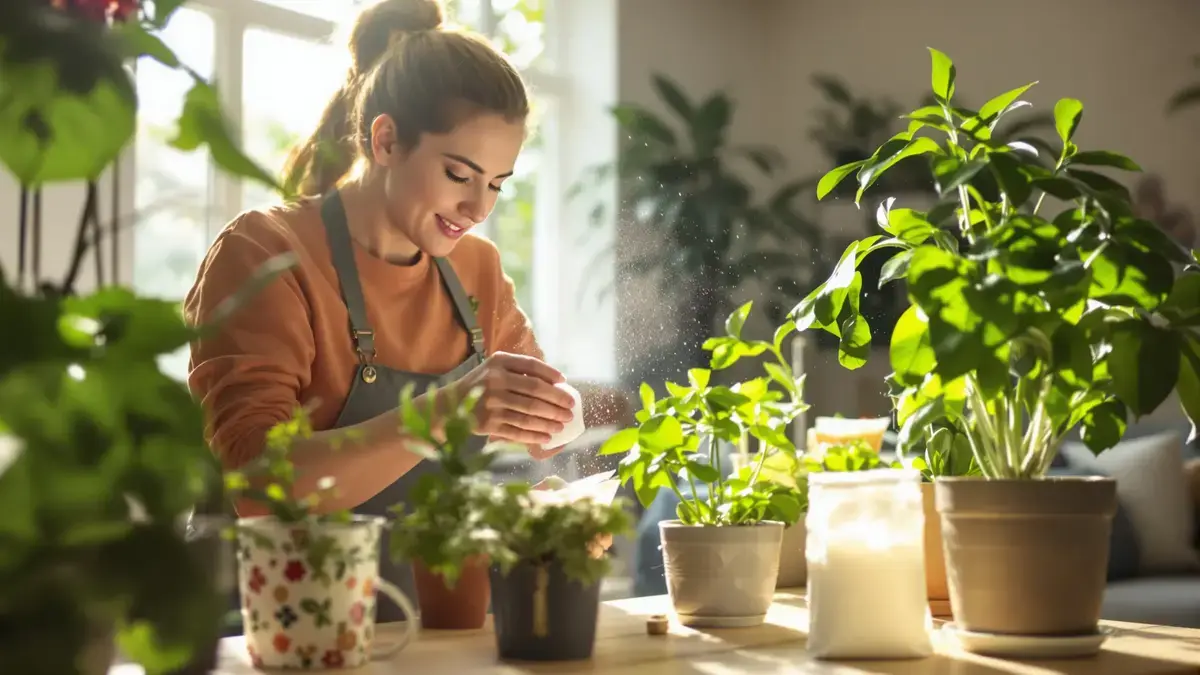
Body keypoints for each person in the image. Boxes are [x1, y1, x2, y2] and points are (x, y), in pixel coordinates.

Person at [185, 0, 594, 623]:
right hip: (268, 630)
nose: (479, 206)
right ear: (386, 140)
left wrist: (555, 435)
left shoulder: (475, 270)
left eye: (498, 183)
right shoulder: (266, 253)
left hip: (417, 633)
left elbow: (540, 411)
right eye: (460, 173)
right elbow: (258, 485)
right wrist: (447, 410)